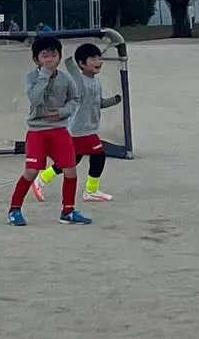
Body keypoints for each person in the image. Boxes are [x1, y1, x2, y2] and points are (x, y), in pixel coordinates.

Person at [7, 35, 91, 226]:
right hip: (37, 132)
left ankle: (68, 211)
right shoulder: (32, 77)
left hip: (59, 130)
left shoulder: (66, 78)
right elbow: (35, 99)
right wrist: (44, 75)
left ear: (59, 57)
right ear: (36, 59)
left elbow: (75, 99)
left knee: (70, 170)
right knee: (31, 171)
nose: (50, 59)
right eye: (45, 55)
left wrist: (63, 112)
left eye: (54, 55)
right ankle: (14, 210)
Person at [32, 42, 123, 203]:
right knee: (98, 156)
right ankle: (91, 190)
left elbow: (98, 103)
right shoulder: (79, 82)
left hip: (88, 128)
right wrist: (68, 60)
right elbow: (73, 74)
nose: (98, 62)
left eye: (99, 58)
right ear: (81, 63)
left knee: (72, 161)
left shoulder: (96, 82)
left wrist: (113, 101)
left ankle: (42, 178)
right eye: (92, 59)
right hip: (80, 130)